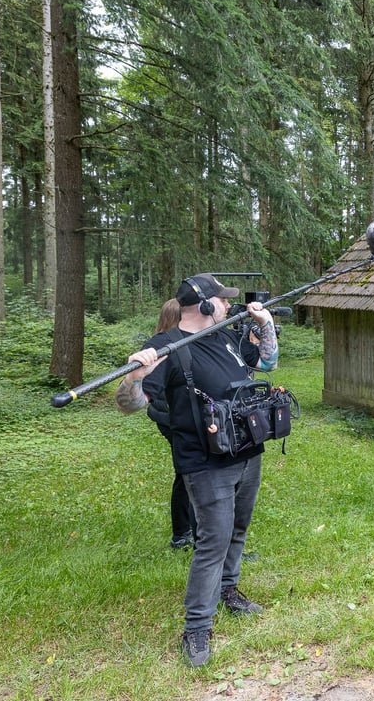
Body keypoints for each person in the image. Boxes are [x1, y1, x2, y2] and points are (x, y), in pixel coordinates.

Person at [116, 273, 279, 667]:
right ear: (206, 305)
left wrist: (266, 326)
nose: (228, 305)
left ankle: (228, 590)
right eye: (223, 300)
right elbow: (129, 404)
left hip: (246, 450)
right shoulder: (165, 348)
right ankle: (197, 629)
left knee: (238, 529)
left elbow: (269, 363)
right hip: (205, 463)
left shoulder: (227, 335)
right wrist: (134, 376)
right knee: (212, 542)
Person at [117, 299, 197, 550]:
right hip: (170, 418)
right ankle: (183, 533)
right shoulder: (160, 348)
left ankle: (190, 531)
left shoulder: (184, 344)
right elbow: (141, 395)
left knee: (189, 472)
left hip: (179, 417)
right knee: (188, 473)